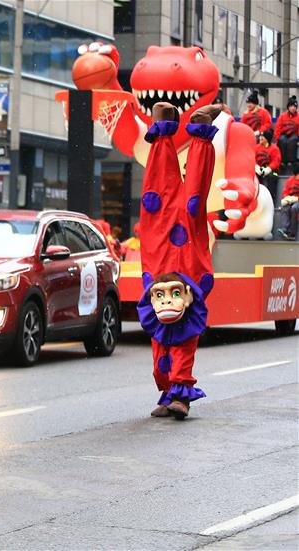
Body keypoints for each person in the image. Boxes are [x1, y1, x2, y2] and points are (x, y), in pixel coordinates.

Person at [137, 101, 218, 420]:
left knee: (168, 195)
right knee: (177, 196)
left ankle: (178, 393)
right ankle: (181, 131)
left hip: (172, 262)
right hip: (168, 259)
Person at [255, 129, 281, 199]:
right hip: (259, 169)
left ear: (267, 138)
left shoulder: (274, 148)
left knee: (272, 176)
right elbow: (253, 158)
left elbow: (276, 161)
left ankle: (270, 198)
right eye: (260, 136)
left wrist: (268, 169)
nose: (260, 138)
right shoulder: (256, 147)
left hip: (273, 171)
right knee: (253, 176)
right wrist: (256, 167)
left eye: (262, 137)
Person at [275, 95, 298, 171]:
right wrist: (277, 138)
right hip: (284, 135)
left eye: (294, 106)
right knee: (282, 140)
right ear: (288, 107)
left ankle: (291, 162)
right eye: (291, 106)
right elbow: (278, 128)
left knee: (292, 141)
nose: (293, 108)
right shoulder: (282, 116)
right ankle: (283, 161)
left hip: (294, 135)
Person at [277, 165, 299, 240]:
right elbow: (285, 191)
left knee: (294, 208)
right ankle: (284, 228)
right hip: (290, 199)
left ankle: (292, 232)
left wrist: (296, 198)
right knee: (285, 207)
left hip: (297, 200)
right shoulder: (290, 180)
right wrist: (287, 198)